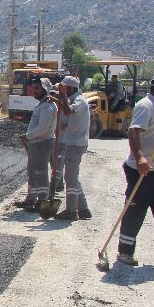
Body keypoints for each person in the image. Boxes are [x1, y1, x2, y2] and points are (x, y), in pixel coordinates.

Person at [115, 70, 154, 269]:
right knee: (135, 209)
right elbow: (134, 132)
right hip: (144, 170)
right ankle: (125, 252)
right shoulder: (146, 105)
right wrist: (141, 158)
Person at [14, 77, 58, 211]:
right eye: (34, 88)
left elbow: (43, 128)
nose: (34, 91)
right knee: (33, 172)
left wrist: (27, 136)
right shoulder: (42, 104)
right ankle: (31, 199)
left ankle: (43, 201)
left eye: (37, 88)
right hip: (36, 143)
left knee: (40, 172)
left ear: (45, 89)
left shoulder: (47, 106)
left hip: (42, 143)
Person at [53, 76, 92, 220]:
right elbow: (66, 116)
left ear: (71, 88)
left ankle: (71, 211)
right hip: (73, 142)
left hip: (76, 143)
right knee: (72, 176)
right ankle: (83, 209)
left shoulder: (79, 101)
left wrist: (62, 96)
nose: (62, 90)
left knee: (70, 178)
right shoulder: (73, 99)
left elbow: (69, 112)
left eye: (64, 88)